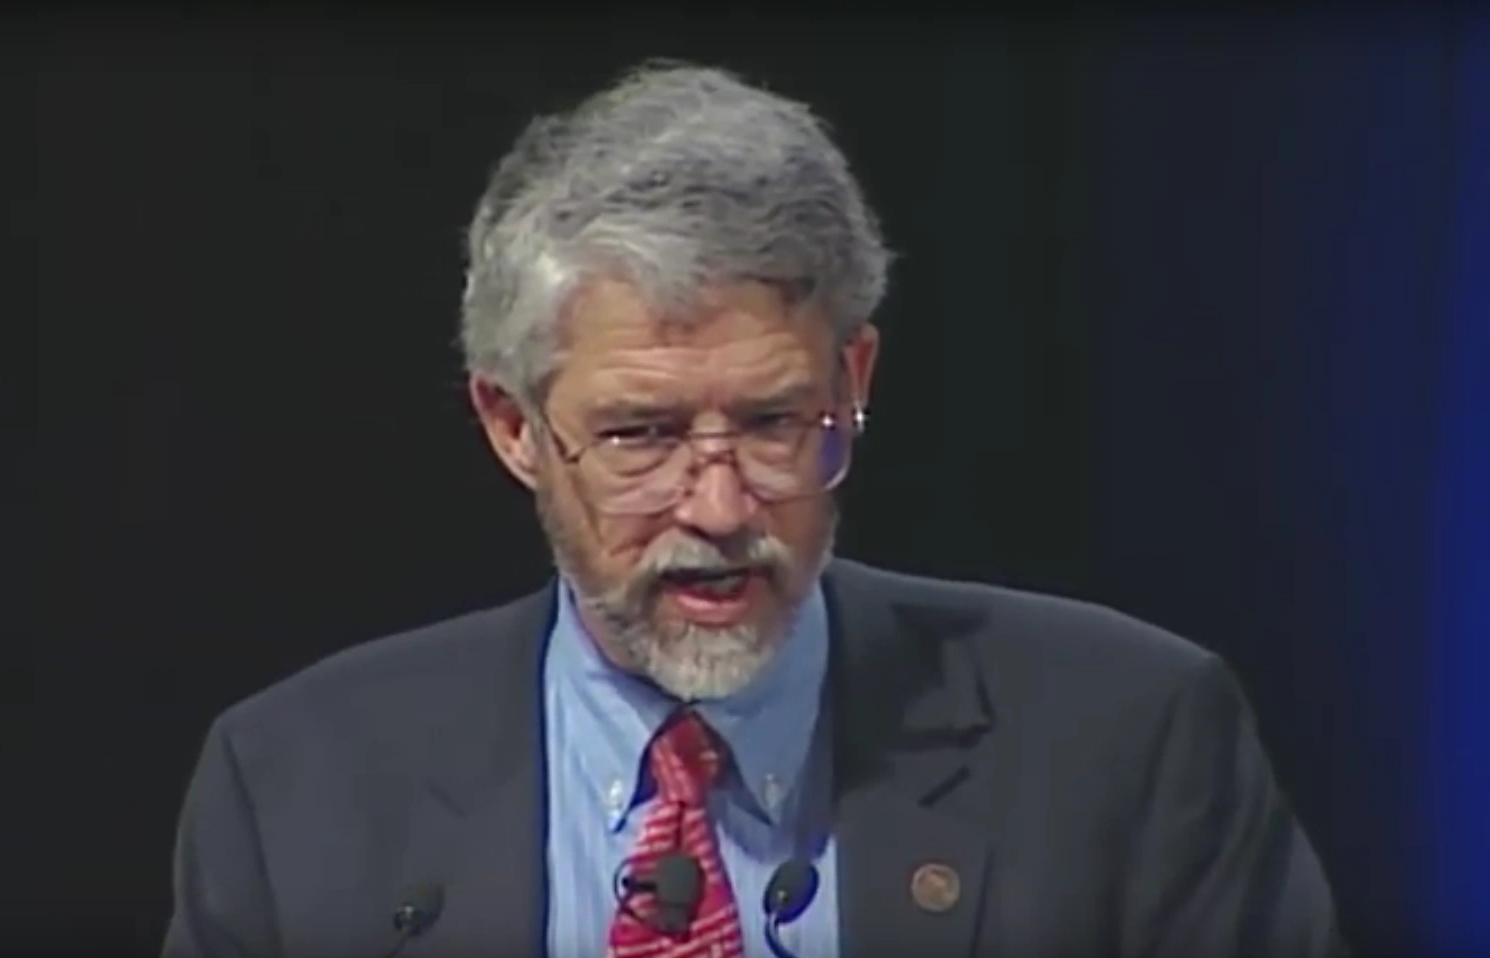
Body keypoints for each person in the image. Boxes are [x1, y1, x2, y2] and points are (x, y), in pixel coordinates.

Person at [161, 62, 1346, 958]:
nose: (720, 506)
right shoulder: (298, 786)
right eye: (642, 435)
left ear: (854, 382)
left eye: (776, 424)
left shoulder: (1127, 740)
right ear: (513, 426)